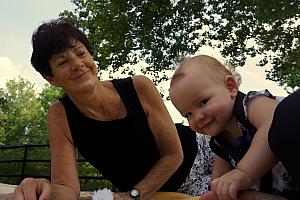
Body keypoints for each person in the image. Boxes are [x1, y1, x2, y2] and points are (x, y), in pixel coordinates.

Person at [13, 18, 214, 200]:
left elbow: (173, 154)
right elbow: (66, 188)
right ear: (51, 79)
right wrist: (41, 188)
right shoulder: (60, 115)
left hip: (208, 151)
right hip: (167, 191)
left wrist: (133, 195)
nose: (78, 64)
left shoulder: (139, 87)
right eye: (63, 61)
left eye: (81, 53)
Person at [169, 55, 300, 200]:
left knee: (286, 114)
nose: (197, 117)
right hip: (281, 191)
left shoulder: (250, 105)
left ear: (230, 87)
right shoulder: (219, 142)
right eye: (188, 114)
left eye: (203, 102)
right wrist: (218, 190)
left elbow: (273, 124)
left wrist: (243, 172)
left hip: (294, 160)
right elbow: (220, 174)